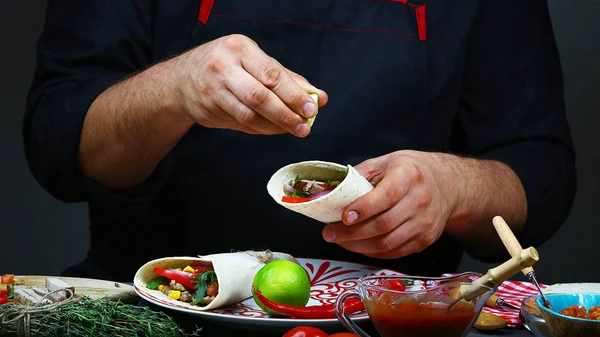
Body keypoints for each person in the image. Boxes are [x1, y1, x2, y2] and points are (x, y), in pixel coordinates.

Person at [23, 0, 576, 282]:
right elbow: (57, 143)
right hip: (158, 310)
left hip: (388, 318)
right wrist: (175, 90)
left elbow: (542, 174)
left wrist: (457, 186)